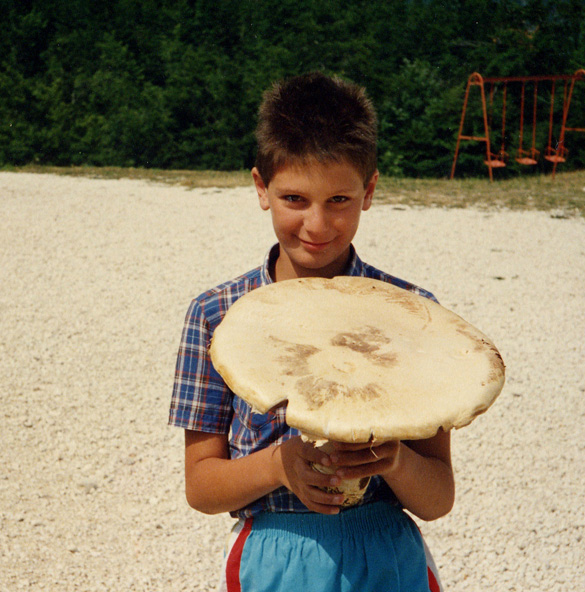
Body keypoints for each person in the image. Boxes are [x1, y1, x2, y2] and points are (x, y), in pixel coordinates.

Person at [169, 72, 452, 592]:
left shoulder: (413, 316)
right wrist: (280, 466)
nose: (317, 226)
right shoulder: (216, 316)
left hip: (390, 563)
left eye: (339, 200)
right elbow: (201, 486)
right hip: (273, 564)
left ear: (368, 191)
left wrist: (394, 460)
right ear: (261, 188)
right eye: (295, 199)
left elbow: (438, 498)